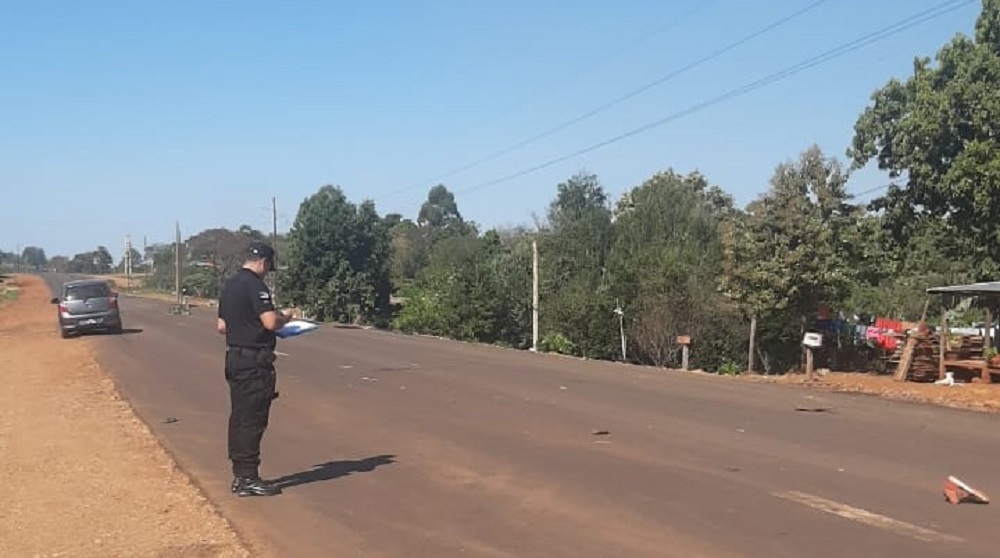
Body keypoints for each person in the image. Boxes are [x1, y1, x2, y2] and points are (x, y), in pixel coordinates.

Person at [216, 241, 293, 497]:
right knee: (253, 420)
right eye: (268, 267)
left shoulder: (230, 285)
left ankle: (240, 474)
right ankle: (248, 478)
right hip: (254, 363)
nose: (267, 271)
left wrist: (246, 326)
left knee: (239, 417)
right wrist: (285, 318)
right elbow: (270, 322)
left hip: (235, 358)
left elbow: (222, 326)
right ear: (263, 262)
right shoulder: (255, 286)